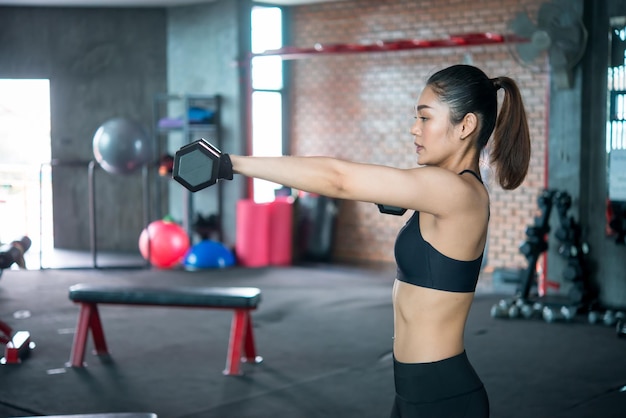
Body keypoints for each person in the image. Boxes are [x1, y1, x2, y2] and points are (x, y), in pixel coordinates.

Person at [190, 64, 531, 417]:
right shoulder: (438, 187)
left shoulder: (457, 192)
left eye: (425, 118)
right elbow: (372, 184)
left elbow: (340, 179)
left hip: (442, 396)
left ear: (466, 125)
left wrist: (230, 164)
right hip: (414, 390)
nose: (414, 129)